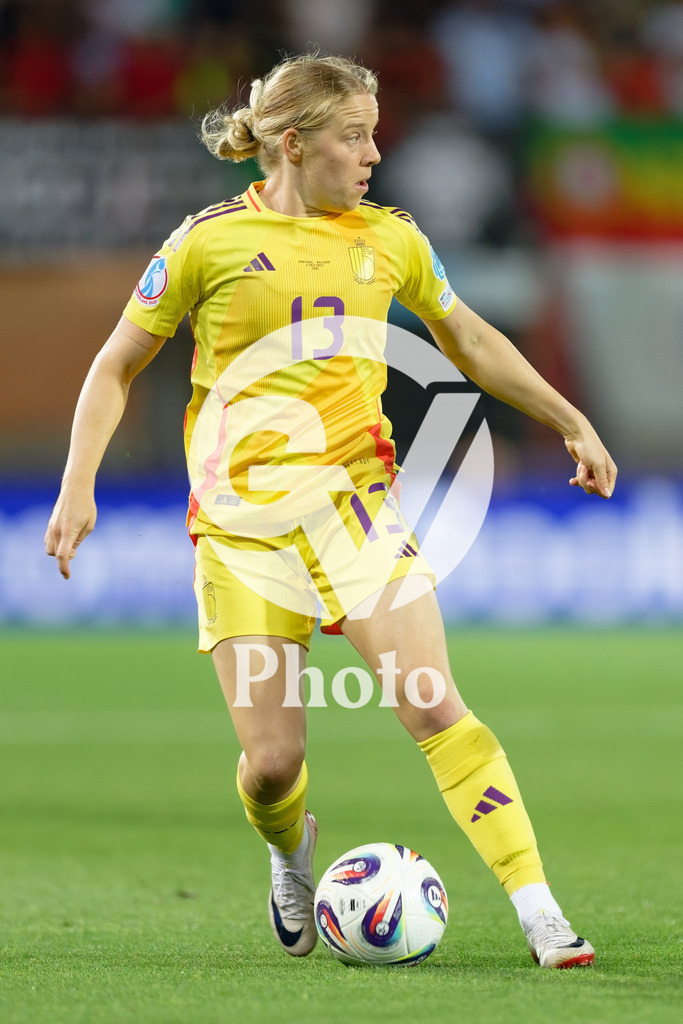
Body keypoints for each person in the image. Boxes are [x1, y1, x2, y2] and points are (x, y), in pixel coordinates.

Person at [45, 54, 617, 969]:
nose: (373, 154)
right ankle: (287, 851)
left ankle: (539, 909)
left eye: (374, 133)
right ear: (290, 143)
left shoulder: (390, 239)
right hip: (241, 533)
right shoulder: (205, 243)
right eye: (354, 136)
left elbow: (466, 336)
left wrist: (568, 418)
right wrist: (80, 483)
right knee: (271, 764)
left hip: (355, 512)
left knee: (435, 710)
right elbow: (116, 364)